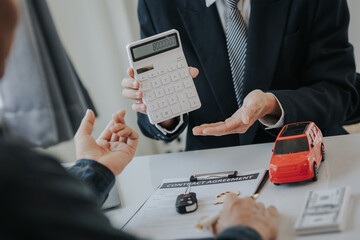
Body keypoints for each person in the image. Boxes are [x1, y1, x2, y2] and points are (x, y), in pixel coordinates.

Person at [0, 1, 278, 239]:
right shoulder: (18, 177)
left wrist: (93, 170)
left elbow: (51, 216)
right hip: (216, 180)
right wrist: (244, 231)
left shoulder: (18, 176)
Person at [122, 0, 358, 151]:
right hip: (213, 167)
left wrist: (273, 105)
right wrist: (162, 110)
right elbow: (155, 122)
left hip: (308, 150)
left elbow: (341, 93)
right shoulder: (157, 4)